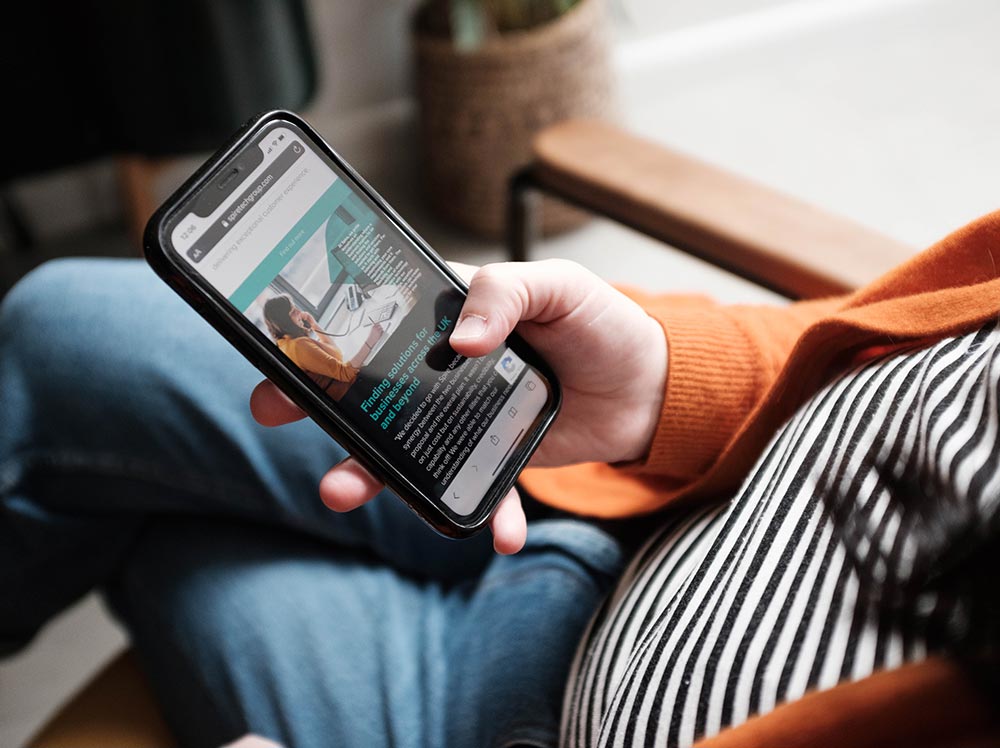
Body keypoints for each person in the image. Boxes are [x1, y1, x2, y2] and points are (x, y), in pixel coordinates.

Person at [1, 210, 998, 748]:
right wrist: (661, 381)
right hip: (618, 492)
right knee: (55, 333)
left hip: (522, 723)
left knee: (158, 529)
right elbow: (909, 340)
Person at [261, 294, 382, 400]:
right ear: (285, 321)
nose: (299, 312)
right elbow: (345, 373)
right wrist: (371, 341)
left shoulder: (285, 344)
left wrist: (313, 325)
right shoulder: (298, 347)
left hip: (347, 391)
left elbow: (335, 354)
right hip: (350, 393)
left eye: (295, 307)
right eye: (293, 312)